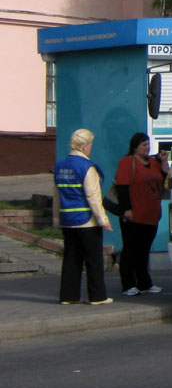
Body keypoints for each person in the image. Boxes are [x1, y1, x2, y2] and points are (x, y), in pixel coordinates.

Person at [52, 128, 113, 305]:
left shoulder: (60, 165)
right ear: (85, 147)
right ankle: (97, 296)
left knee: (71, 259)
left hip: (67, 220)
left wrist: (56, 220)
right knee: (93, 260)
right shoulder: (87, 167)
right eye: (91, 144)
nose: (91, 148)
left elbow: (56, 195)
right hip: (87, 221)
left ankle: (68, 296)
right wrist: (104, 220)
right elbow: (93, 197)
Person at [115, 132, 169, 296]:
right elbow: (122, 188)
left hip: (151, 215)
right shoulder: (127, 162)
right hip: (133, 215)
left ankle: (144, 283)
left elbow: (164, 177)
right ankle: (128, 284)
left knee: (144, 251)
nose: (147, 147)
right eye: (143, 145)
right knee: (130, 250)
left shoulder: (153, 162)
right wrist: (126, 210)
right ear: (135, 147)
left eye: (148, 144)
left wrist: (164, 161)